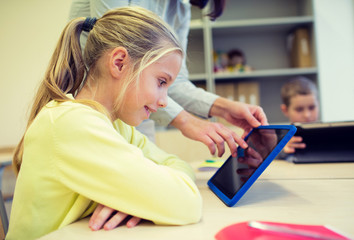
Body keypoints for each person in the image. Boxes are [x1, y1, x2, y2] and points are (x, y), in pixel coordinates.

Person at [7, 7, 204, 239]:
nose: (163, 101)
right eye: (161, 82)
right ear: (119, 63)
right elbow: (186, 204)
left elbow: (179, 166)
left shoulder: (117, 126)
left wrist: (136, 200)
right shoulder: (72, 124)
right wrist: (143, 199)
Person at [69, 0, 268, 159]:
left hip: (130, 115)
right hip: (100, 108)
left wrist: (224, 108)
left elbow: (174, 80)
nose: (162, 100)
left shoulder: (180, 6)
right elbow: (125, 64)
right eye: (160, 84)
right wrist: (185, 120)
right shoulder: (76, 126)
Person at [279, 76, 319, 155]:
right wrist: (282, 151)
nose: (307, 115)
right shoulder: (276, 140)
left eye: (312, 107)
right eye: (299, 109)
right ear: (285, 110)